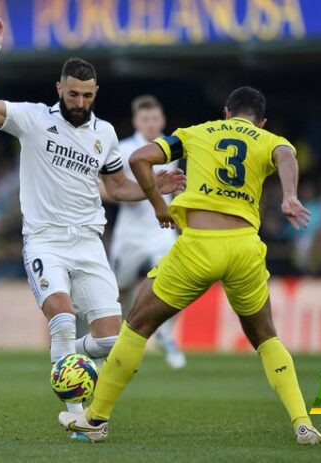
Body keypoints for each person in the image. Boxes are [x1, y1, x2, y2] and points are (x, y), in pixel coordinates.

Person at [59, 87, 321, 445]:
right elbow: (286, 155)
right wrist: (290, 195)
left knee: (137, 324)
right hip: (244, 248)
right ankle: (302, 422)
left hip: (198, 246)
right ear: (261, 121)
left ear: (227, 113)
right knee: (266, 337)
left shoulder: (196, 132)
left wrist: (158, 203)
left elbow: (139, 158)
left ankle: (96, 418)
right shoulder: (269, 139)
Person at [0, 17, 184, 441]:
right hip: (45, 240)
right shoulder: (31, 119)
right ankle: (77, 414)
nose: (79, 101)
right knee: (62, 319)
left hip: (89, 244)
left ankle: (66, 360)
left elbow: (118, 187)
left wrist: (155, 184)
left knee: (113, 345)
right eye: (72, 93)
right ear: (58, 89)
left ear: (95, 94)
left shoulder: (106, 134)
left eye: (86, 95)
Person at [109, 95, 186, 369]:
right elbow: (105, 189)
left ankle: (166, 336)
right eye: (145, 119)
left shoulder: (173, 148)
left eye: (155, 119)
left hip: (161, 230)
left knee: (174, 283)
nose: (151, 124)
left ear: (163, 120)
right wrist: (139, 193)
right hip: (129, 233)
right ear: (136, 121)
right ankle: (110, 340)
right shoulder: (122, 148)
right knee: (118, 289)